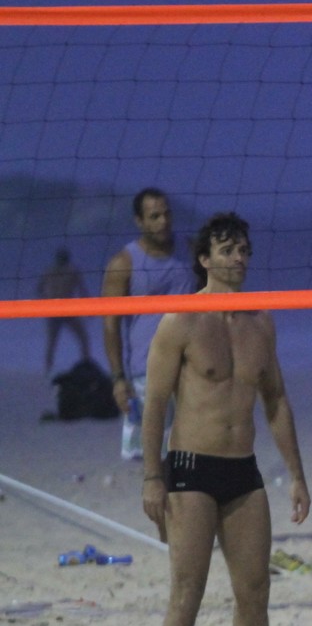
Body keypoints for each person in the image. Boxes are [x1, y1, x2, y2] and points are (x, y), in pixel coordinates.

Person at [140, 212, 310, 626]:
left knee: (255, 590)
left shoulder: (262, 320)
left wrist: (297, 474)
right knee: (187, 591)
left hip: (244, 471)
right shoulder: (181, 321)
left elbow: (276, 400)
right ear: (204, 259)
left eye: (243, 249)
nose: (238, 258)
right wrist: (152, 477)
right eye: (227, 249)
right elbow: (154, 404)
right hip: (190, 470)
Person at [103, 188, 193, 460]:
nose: (163, 221)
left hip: (192, 366)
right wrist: (119, 379)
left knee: (192, 454)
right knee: (153, 460)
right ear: (139, 221)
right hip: (147, 371)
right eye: (154, 216)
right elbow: (110, 326)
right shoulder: (123, 263)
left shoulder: (191, 252)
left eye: (166, 214)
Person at [37, 247, 92, 375]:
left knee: (54, 342)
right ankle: (86, 367)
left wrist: (46, 301)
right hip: (63, 308)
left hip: (59, 308)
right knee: (81, 338)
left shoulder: (50, 271)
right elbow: (83, 291)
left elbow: (39, 289)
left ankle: (48, 370)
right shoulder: (71, 271)